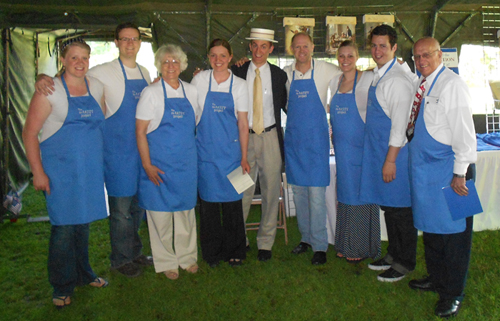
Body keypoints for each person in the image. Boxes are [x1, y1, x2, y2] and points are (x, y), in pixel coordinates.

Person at [35, 22, 153, 277]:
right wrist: (43, 79)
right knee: (121, 211)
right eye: (124, 39)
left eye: (134, 39)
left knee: (137, 207)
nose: (130, 43)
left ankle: (135, 251)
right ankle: (120, 259)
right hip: (116, 152)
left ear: (140, 43)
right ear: (116, 43)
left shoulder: (144, 72)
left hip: (140, 151)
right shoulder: (102, 71)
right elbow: (70, 78)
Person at [23, 38, 108, 309]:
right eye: (74, 57)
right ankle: (61, 285)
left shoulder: (95, 86)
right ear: (62, 60)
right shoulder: (49, 90)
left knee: (81, 226)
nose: (80, 62)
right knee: (63, 229)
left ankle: (85, 274)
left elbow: (99, 123)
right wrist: (38, 173)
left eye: (84, 57)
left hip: (88, 171)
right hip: (60, 172)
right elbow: (29, 134)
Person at [407, 37, 477, 318]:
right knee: (433, 232)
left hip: (455, 172)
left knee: (457, 238)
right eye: (417, 56)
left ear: (440, 55)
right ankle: (436, 279)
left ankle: (453, 293)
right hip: (428, 173)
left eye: (427, 55)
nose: (421, 60)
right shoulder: (420, 84)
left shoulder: (453, 85)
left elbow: (465, 134)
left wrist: (460, 173)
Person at [359, 24, 418, 282]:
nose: (377, 50)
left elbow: (400, 126)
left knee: (401, 211)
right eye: (374, 45)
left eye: (383, 46)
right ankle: (394, 255)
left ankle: (405, 263)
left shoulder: (396, 81)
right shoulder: (380, 74)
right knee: (390, 209)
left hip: (395, 156)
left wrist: (390, 161)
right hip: (381, 153)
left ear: (394, 47)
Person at [136, 44, 199, 280]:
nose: (170, 66)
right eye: (165, 62)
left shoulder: (191, 92)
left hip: (185, 165)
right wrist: (147, 165)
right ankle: (166, 262)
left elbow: (196, 121)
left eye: (175, 62)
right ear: (159, 66)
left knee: (185, 214)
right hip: (158, 165)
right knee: (160, 215)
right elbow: (140, 132)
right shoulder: (150, 93)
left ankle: (187, 258)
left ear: (182, 65)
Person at [283, 32, 341, 265]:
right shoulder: (286, 74)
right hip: (295, 144)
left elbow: (350, 74)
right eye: (297, 47)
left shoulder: (327, 69)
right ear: (292, 49)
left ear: (312, 47)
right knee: (299, 196)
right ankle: (305, 239)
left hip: (316, 145)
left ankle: (319, 245)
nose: (301, 51)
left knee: (316, 197)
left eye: (305, 46)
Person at [191, 39, 250, 267]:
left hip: (233, 155)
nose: (218, 60)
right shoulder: (199, 80)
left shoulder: (240, 85)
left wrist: (244, 157)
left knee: (234, 204)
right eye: (213, 56)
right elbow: (194, 115)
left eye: (223, 55)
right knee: (209, 206)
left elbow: (243, 123)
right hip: (205, 153)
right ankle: (212, 252)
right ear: (208, 58)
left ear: (231, 57)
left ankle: (236, 250)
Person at [230, 28, 288, 262]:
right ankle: (239, 239)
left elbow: (287, 105)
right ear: (250, 47)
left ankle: (265, 242)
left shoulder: (279, 75)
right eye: (255, 45)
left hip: (271, 137)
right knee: (240, 189)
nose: (258, 50)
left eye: (264, 46)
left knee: (271, 191)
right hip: (243, 138)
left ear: (271, 48)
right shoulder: (237, 70)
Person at [328, 40, 381, 263]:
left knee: (360, 195)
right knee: (345, 195)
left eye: (350, 56)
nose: (346, 60)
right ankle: (345, 243)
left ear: (357, 57)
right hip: (342, 150)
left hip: (361, 150)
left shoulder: (367, 79)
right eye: (342, 56)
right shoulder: (335, 80)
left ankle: (360, 247)